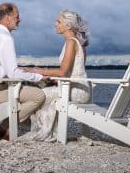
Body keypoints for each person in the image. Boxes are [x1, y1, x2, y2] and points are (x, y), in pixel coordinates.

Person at [0, 3, 48, 140]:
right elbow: (13, 73)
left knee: (25, 90)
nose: (19, 20)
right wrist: (39, 77)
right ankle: (4, 128)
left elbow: (2, 69)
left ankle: (23, 126)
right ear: (7, 18)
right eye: (17, 16)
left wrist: (25, 73)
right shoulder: (5, 38)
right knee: (38, 95)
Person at [21, 9, 91, 141]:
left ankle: (42, 130)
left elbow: (63, 72)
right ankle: (43, 127)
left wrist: (36, 70)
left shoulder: (71, 42)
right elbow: (73, 72)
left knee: (40, 95)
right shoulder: (78, 42)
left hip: (74, 91)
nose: (55, 24)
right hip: (81, 89)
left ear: (68, 25)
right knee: (43, 91)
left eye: (59, 21)